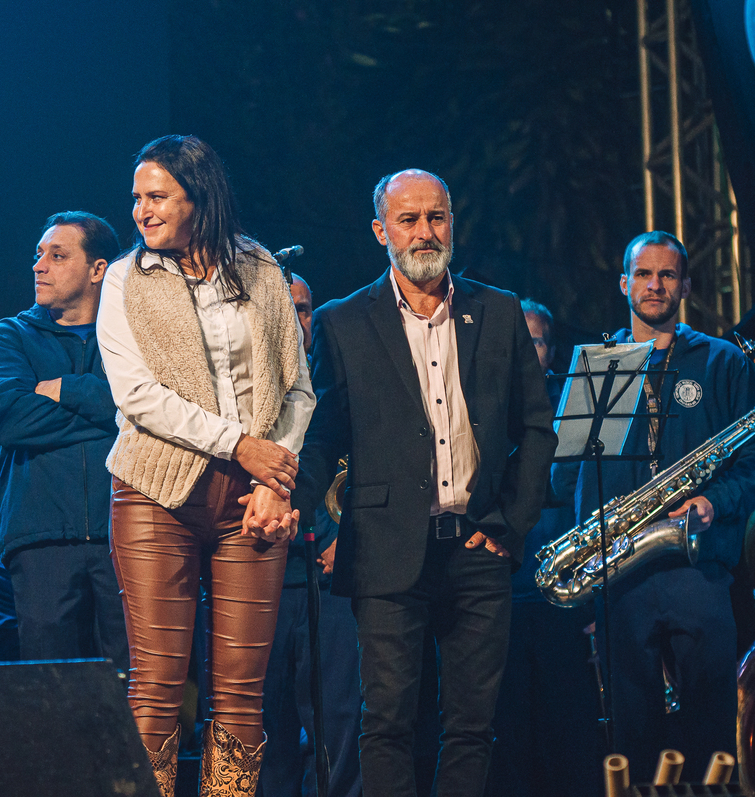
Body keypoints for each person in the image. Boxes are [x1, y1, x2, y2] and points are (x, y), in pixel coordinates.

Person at [292, 169, 557, 797]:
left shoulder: (498, 310)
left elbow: (536, 428)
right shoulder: (341, 321)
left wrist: (508, 525)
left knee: (472, 727)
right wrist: (298, 506)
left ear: (452, 224)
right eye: (408, 219)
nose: (424, 231)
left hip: (479, 544)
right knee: (385, 723)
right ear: (380, 230)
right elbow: (322, 436)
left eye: (436, 217)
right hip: (383, 548)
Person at [97, 134, 315, 797]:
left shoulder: (260, 267)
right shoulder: (125, 278)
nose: (141, 210)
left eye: (157, 197)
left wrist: (275, 478)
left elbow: (296, 387)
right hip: (155, 491)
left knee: (243, 693)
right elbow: (137, 395)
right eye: (137, 197)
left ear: (200, 197)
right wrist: (240, 446)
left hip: (251, 497)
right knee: (156, 686)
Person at [573, 231, 755, 773]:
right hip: (622, 574)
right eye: (644, 274)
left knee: (711, 728)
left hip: (699, 569)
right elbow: (581, 477)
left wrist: (715, 501)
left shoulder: (721, 361)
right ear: (624, 284)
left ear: (686, 286)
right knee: (631, 735)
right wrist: (590, 574)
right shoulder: (605, 366)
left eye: (667, 275)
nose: (655, 285)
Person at [0, 212, 128, 671]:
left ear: (98, 269)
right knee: (53, 690)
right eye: (39, 254)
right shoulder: (10, 336)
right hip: (40, 540)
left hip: (123, 534)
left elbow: (160, 407)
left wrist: (67, 389)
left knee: (131, 684)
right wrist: (117, 413)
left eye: (58, 256)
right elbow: (10, 420)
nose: (39, 265)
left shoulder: (130, 337)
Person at [486, 299, 601, 797]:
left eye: (537, 341)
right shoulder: (485, 402)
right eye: (520, 339)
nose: (527, 349)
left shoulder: (575, 404)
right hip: (502, 594)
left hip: (562, 595)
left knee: (567, 729)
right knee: (508, 731)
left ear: (551, 353)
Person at [258, 273, 362, 797]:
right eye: (284, 308)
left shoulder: (342, 383)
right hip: (262, 580)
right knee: (265, 736)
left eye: (303, 309)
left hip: (333, 584)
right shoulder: (243, 390)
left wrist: (353, 534)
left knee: (342, 731)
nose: (297, 320)